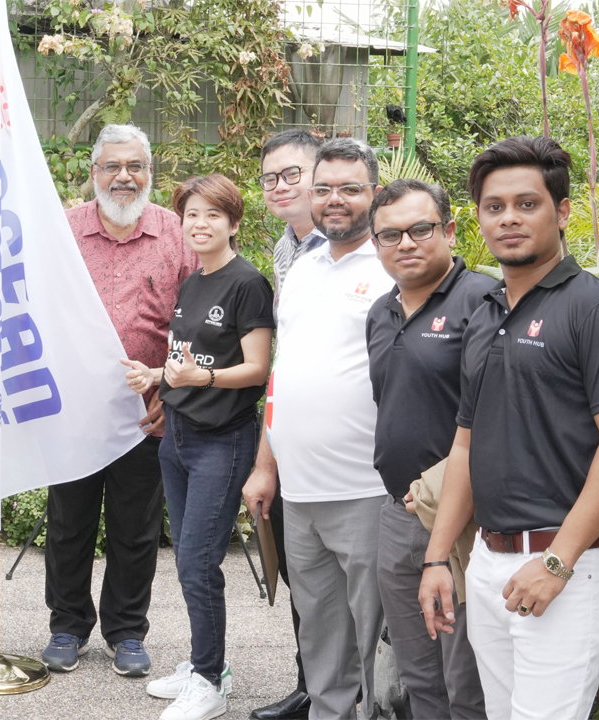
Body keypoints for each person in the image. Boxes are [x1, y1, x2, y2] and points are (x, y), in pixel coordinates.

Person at [419, 136, 599, 719]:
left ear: (562, 213)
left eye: (527, 204)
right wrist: (439, 558)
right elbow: (465, 445)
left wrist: (557, 564)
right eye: (494, 206)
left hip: (567, 567)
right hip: (488, 562)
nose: (508, 218)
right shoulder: (485, 315)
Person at [42, 123, 198, 679]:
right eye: (112, 167)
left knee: (135, 527)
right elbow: (40, 309)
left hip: (146, 411)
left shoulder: (177, 233)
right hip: (75, 412)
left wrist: (172, 391)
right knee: (69, 521)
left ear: (149, 173)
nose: (124, 177)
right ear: (94, 173)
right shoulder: (62, 231)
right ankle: (66, 625)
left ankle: (127, 631)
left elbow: (198, 321)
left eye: (135, 167)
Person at [243, 137, 392, 720]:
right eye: (324, 188)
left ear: (373, 195)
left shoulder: (390, 266)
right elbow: (283, 375)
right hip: (300, 492)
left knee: (383, 639)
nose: (335, 200)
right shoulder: (301, 270)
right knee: (322, 639)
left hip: (367, 488)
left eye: (350, 189)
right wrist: (265, 464)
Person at [122, 175, 272, 720]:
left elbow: (256, 369)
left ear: (233, 222)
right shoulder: (192, 283)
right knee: (189, 560)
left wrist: (198, 381)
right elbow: (189, 361)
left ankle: (209, 679)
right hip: (177, 438)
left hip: (222, 442)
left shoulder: (246, 282)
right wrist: (158, 379)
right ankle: (206, 663)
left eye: (213, 214)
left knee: (198, 562)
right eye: (190, 215)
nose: (200, 224)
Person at [365, 179, 489, 719]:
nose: (406, 243)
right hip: (398, 512)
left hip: (465, 518)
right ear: (375, 243)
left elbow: (495, 418)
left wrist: (446, 492)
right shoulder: (380, 312)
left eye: (421, 229)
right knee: (418, 677)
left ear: (450, 229)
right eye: (390, 234)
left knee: (466, 679)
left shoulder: (484, 300)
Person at [249, 128, 325, 720]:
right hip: (292, 435)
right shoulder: (285, 249)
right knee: (304, 576)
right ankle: (310, 688)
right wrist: (265, 460)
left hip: (343, 446)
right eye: (271, 177)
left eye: (291, 174)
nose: (279, 186)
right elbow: (285, 362)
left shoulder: (355, 247)